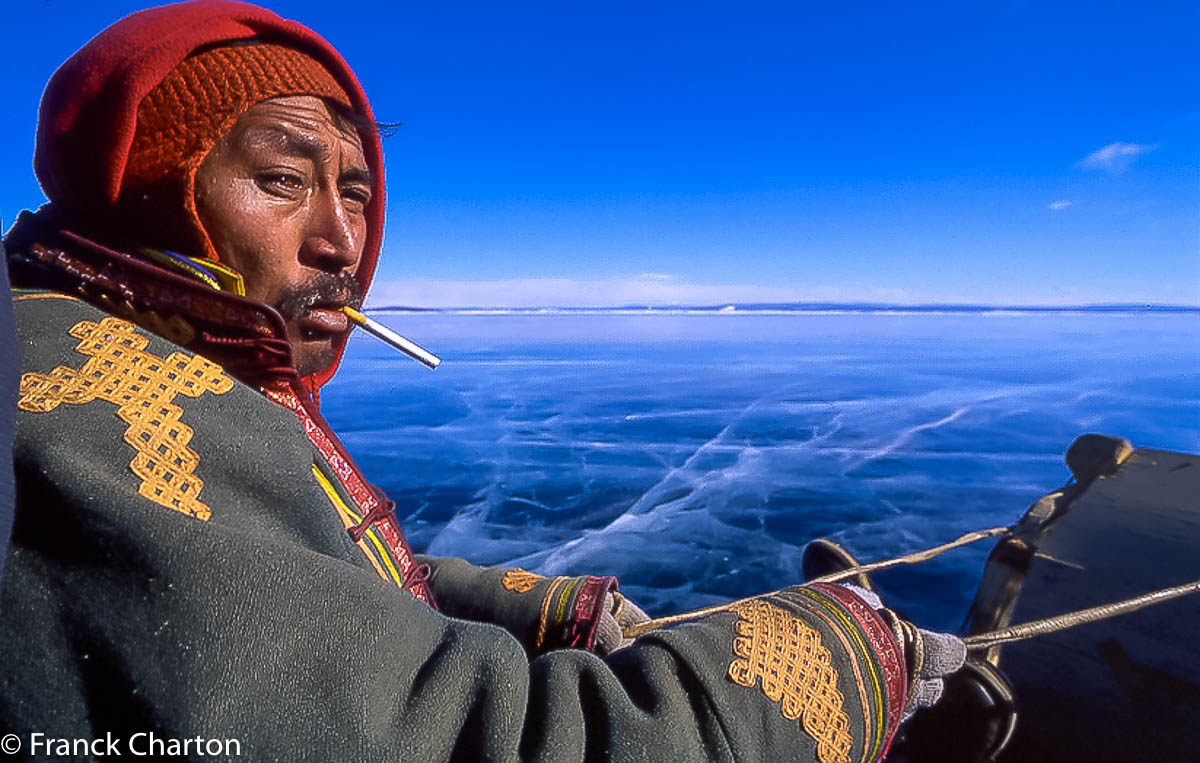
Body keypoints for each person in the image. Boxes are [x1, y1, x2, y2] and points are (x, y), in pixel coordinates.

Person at [1, 2, 962, 759]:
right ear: (154, 194)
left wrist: (544, 609)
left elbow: (313, 571)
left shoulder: (121, 348)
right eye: (284, 180)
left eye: (358, 190)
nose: (341, 239)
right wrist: (834, 658)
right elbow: (457, 745)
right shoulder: (112, 407)